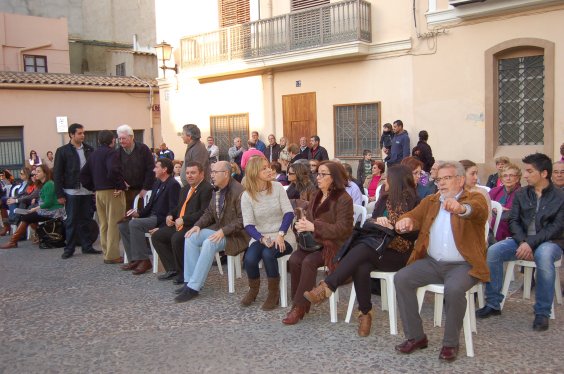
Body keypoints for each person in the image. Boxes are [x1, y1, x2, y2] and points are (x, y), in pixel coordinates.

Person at [304, 165, 419, 336]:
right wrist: (378, 221)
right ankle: (365, 313)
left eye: (387, 178)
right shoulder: (383, 199)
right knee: (361, 264)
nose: (383, 180)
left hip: (399, 254)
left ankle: (328, 286)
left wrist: (395, 226)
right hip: (378, 247)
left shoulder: (414, 202)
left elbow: (414, 234)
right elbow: (369, 223)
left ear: (396, 181)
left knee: (363, 249)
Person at [393, 161, 489, 362]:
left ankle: (451, 343)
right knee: (402, 278)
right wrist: (407, 220)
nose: (441, 183)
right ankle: (416, 336)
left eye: (447, 178)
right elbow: (414, 215)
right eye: (439, 179)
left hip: (464, 265)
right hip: (432, 262)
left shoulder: (475, 198)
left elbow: (478, 211)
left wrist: (461, 208)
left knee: (453, 289)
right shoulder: (432, 200)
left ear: (461, 180)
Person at [477, 153, 563, 331]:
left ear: (544, 173)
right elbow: (513, 220)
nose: (525, 175)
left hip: (550, 242)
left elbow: (555, 227)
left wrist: (530, 243)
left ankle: (542, 312)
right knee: (494, 251)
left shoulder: (559, 197)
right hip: (521, 240)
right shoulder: (523, 193)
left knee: (544, 255)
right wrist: (523, 241)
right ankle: (493, 304)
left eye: (529, 171)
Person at [282, 161, 353, 325]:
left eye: (323, 174)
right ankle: (299, 302)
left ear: (334, 178)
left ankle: (298, 308)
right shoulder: (317, 195)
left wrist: (314, 226)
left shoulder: (344, 199)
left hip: (333, 245)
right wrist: (301, 224)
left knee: (308, 262)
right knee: (294, 260)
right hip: (314, 242)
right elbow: (309, 217)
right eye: (318, 174)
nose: (318, 177)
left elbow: (343, 229)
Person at [174, 161, 249, 303]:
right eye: (212, 172)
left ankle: (194, 288)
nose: (212, 175)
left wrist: (223, 231)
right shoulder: (217, 189)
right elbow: (209, 212)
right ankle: (189, 281)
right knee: (191, 236)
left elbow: (242, 220)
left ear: (226, 174)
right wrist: (197, 225)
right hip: (220, 231)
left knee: (209, 243)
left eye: (215, 172)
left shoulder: (239, 191)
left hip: (236, 235)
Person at [240, 156, 295, 310]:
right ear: (254, 172)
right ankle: (253, 289)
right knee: (249, 259)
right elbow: (249, 225)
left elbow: (289, 213)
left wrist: (281, 234)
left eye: (268, 166)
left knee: (268, 255)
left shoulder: (277, 187)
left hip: (283, 235)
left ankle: (273, 293)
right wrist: (261, 238)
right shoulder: (247, 196)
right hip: (261, 236)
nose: (269, 170)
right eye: (264, 168)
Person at [151, 161, 213, 282]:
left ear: (202, 174)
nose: (189, 175)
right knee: (158, 236)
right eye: (188, 173)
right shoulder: (185, 189)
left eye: (193, 173)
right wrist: (170, 215)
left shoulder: (206, 189)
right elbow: (179, 207)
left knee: (177, 238)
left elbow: (204, 212)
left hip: (195, 225)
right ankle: (172, 268)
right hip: (180, 223)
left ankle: (184, 272)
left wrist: (184, 219)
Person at [119, 158, 181, 275]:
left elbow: (174, 209)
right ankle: (134, 259)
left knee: (134, 224)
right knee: (123, 225)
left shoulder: (173, 185)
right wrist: (138, 213)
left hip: (159, 219)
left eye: (156, 167)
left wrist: (163, 227)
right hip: (150, 216)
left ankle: (144, 260)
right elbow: (149, 205)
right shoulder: (157, 182)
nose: (154, 169)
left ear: (164, 169)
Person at [53, 123, 100, 259]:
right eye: (79, 133)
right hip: (71, 191)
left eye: (83, 133)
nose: (83, 135)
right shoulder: (62, 151)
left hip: (86, 190)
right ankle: (69, 249)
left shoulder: (89, 150)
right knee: (71, 221)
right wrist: (59, 194)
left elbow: (93, 170)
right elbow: (57, 174)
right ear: (71, 135)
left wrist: (95, 188)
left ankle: (87, 246)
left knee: (86, 220)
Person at [80, 130, 127, 264]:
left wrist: (93, 187)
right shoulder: (111, 152)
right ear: (112, 140)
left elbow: (83, 175)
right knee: (115, 223)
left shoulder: (94, 154)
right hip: (112, 192)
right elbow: (113, 170)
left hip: (99, 192)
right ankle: (113, 255)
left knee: (104, 224)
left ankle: (106, 252)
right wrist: (119, 185)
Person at [1, 165, 65, 249]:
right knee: (28, 216)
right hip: (47, 210)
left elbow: (48, 203)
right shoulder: (43, 184)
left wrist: (34, 209)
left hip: (53, 211)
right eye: (35, 173)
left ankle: (13, 241)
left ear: (45, 173)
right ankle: (40, 236)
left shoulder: (49, 184)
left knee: (27, 217)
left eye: (38, 172)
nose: (36, 174)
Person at [117, 124, 155, 211]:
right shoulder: (118, 152)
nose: (121, 141)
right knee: (127, 216)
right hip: (126, 192)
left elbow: (151, 169)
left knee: (140, 215)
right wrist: (121, 182)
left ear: (131, 137)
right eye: (119, 139)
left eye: (123, 138)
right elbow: (116, 171)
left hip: (142, 190)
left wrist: (145, 188)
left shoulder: (143, 149)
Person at [488, 163, 522, 242]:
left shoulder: (522, 193)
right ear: (501, 179)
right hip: (492, 226)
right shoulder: (494, 191)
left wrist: (503, 211)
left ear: (517, 178)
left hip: (512, 229)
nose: (508, 178)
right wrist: (493, 209)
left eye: (511, 175)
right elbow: (485, 206)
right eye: (505, 176)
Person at [2, 168, 35, 233]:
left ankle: (12, 220)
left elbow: (26, 196)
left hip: (25, 202)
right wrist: (13, 198)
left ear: (26, 175)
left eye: (21, 174)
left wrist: (16, 200)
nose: (20, 175)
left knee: (12, 202)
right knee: (7, 201)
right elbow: (19, 194)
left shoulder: (29, 184)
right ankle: (10, 222)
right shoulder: (23, 183)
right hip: (20, 199)